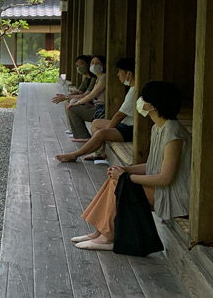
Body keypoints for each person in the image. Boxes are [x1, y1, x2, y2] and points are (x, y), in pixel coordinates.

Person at [73, 81, 191, 250]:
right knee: (115, 176)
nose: (140, 101)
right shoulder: (159, 128)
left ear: (152, 105)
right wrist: (125, 170)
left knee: (120, 181)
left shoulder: (174, 134)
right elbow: (152, 165)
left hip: (175, 196)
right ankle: (100, 231)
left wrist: (126, 177)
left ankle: (108, 237)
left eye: (143, 98)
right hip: (163, 189)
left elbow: (165, 178)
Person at [56, 57, 135, 163]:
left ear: (129, 74)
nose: (118, 75)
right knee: (96, 123)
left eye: (120, 72)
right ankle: (99, 152)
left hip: (130, 128)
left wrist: (108, 131)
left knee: (101, 134)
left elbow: (119, 115)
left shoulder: (135, 90)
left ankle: (75, 155)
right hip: (125, 124)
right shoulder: (132, 88)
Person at [64, 55, 107, 140]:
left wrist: (77, 103)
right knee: (72, 104)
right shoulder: (98, 78)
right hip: (96, 106)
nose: (95, 65)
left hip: (101, 110)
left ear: (104, 65)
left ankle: (83, 136)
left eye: (98, 63)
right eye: (92, 63)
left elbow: (92, 95)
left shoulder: (104, 78)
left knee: (72, 109)